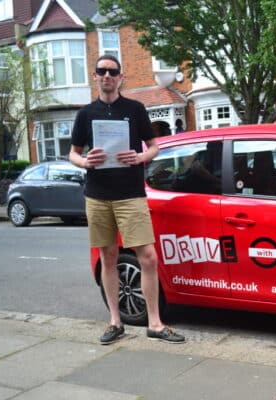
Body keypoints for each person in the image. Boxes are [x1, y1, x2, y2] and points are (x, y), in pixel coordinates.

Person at [69, 54, 185, 345]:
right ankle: (115, 321)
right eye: (102, 71)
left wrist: (139, 156)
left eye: (112, 72)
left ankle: (155, 323)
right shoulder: (85, 114)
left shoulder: (135, 109)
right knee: (108, 258)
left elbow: (155, 147)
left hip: (130, 195)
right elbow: (72, 153)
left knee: (148, 257)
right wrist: (84, 162)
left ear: (121, 77)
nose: (107, 76)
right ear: (95, 76)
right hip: (97, 196)